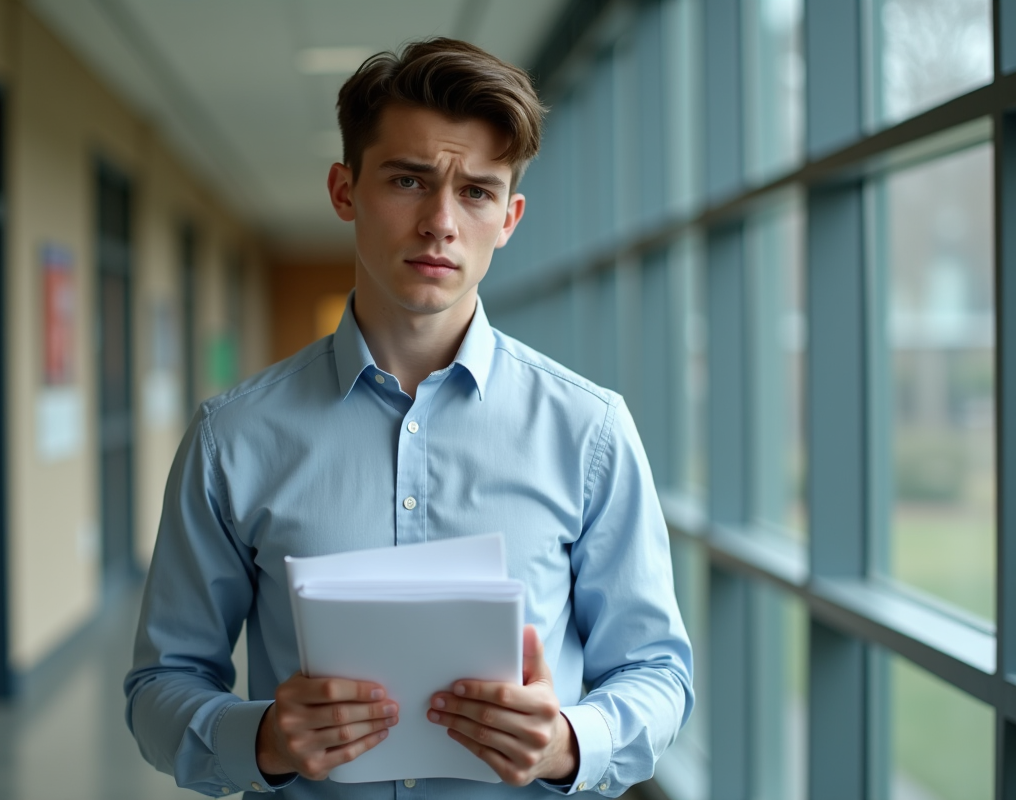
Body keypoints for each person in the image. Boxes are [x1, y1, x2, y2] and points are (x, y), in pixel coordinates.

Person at [124, 37, 693, 798]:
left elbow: (657, 672)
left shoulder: (589, 431)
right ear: (345, 191)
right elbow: (160, 687)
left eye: (477, 192)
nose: (440, 223)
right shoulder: (232, 440)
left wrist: (567, 742)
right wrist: (263, 738)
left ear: (510, 217)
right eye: (408, 180)